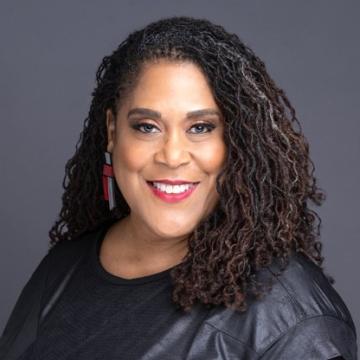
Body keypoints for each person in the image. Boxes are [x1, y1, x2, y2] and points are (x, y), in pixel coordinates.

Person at [0, 15, 357, 360]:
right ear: (112, 132)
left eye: (200, 127)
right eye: (147, 126)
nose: (172, 156)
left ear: (239, 142)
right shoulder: (63, 268)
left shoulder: (290, 319)